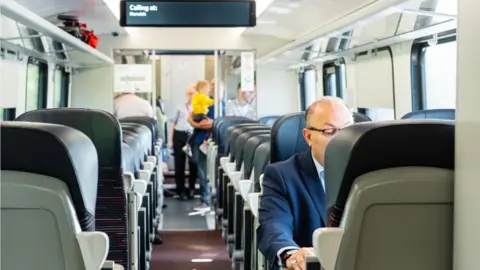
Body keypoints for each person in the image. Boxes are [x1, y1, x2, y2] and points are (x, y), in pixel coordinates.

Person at [257, 97, 354, 270]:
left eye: (346, 130)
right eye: (329, 131)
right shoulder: (282, 176)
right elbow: (274, 225)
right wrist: (291, 254)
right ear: (308, 136)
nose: (340, 140)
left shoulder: (369, 175)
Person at [187, 79, 224, 212]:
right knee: (202, 171)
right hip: (200, 141)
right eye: (212, 84)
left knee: (216, 174)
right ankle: (205, 201)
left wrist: (205, 123)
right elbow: (191, 118)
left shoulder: (222, 104)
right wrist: (197, 123)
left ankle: (214, 202)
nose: (213, 87)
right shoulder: (204, 100)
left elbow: (213, 123)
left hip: (217, 142)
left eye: (216, 84)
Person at [169, 84, 198, 200]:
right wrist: (170, 140)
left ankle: (191, 188)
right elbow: (172, 123)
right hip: (179, 135)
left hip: (192, 136)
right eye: (189, 93)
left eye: (193, 93)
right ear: (187, 95)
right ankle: (180, 190)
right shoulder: (180, 106)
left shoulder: (199, 108)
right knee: (179, 164)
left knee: (193, 163)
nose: (191, 95)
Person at [183, 80, 215, 155]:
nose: (211, 88)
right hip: (200, 138)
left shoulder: (225, 104)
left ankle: (187, 145)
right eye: (211, 85)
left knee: (195, 131)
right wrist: (198, 125)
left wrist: (211, 123)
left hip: (215, 141)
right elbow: (189, 118)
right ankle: (204, 143)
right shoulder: (204, 98)